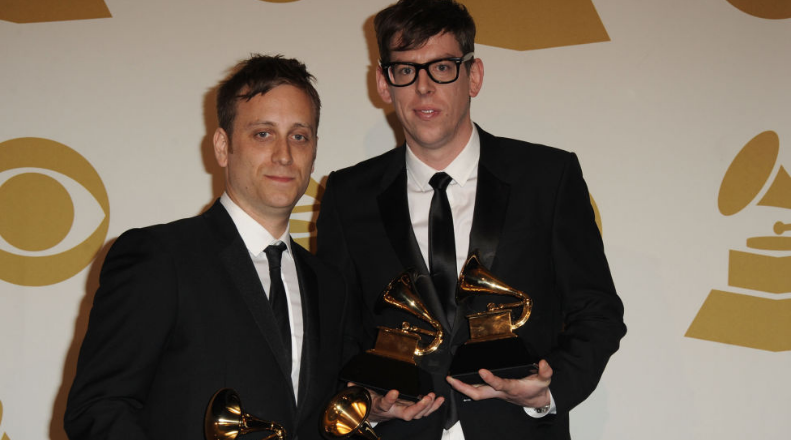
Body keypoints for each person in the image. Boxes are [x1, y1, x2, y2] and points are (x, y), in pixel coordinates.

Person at [315, 0, 626, 438]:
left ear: (473, 75)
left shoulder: (547, 178)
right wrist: (362, 404)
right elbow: (335, 331)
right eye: (405, 70)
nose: (423, 88)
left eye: (441, 67)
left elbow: (597, 312)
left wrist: (548, 391)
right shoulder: (348, 195)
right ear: (384, 84)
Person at [65, 55, 348, 440]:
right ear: (222, 145)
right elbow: (98, 409)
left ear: (314, 151)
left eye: (299, 136)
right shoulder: (159, 257)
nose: (284, 154)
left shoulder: (328, 283)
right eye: (263, 134)